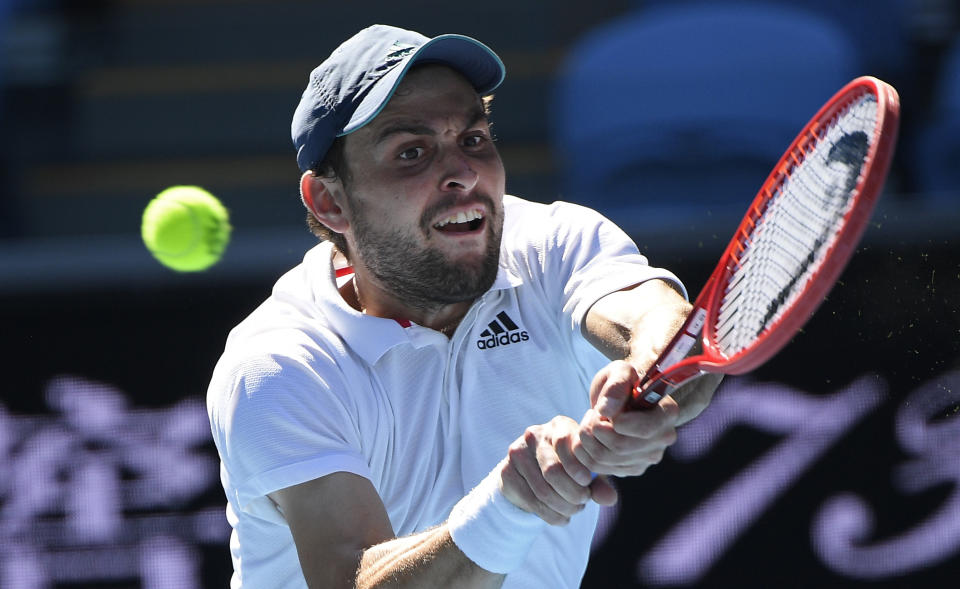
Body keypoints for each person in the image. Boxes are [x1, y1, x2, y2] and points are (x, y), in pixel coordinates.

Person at [207, 24, 722, 588]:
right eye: (412, 152)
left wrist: (646, 386)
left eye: (474, 139)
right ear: (330, 201)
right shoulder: (280, 364)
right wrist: (509, 504)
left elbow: (663, 324)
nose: (463, 174)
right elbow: (351, 578)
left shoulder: (554, 245)